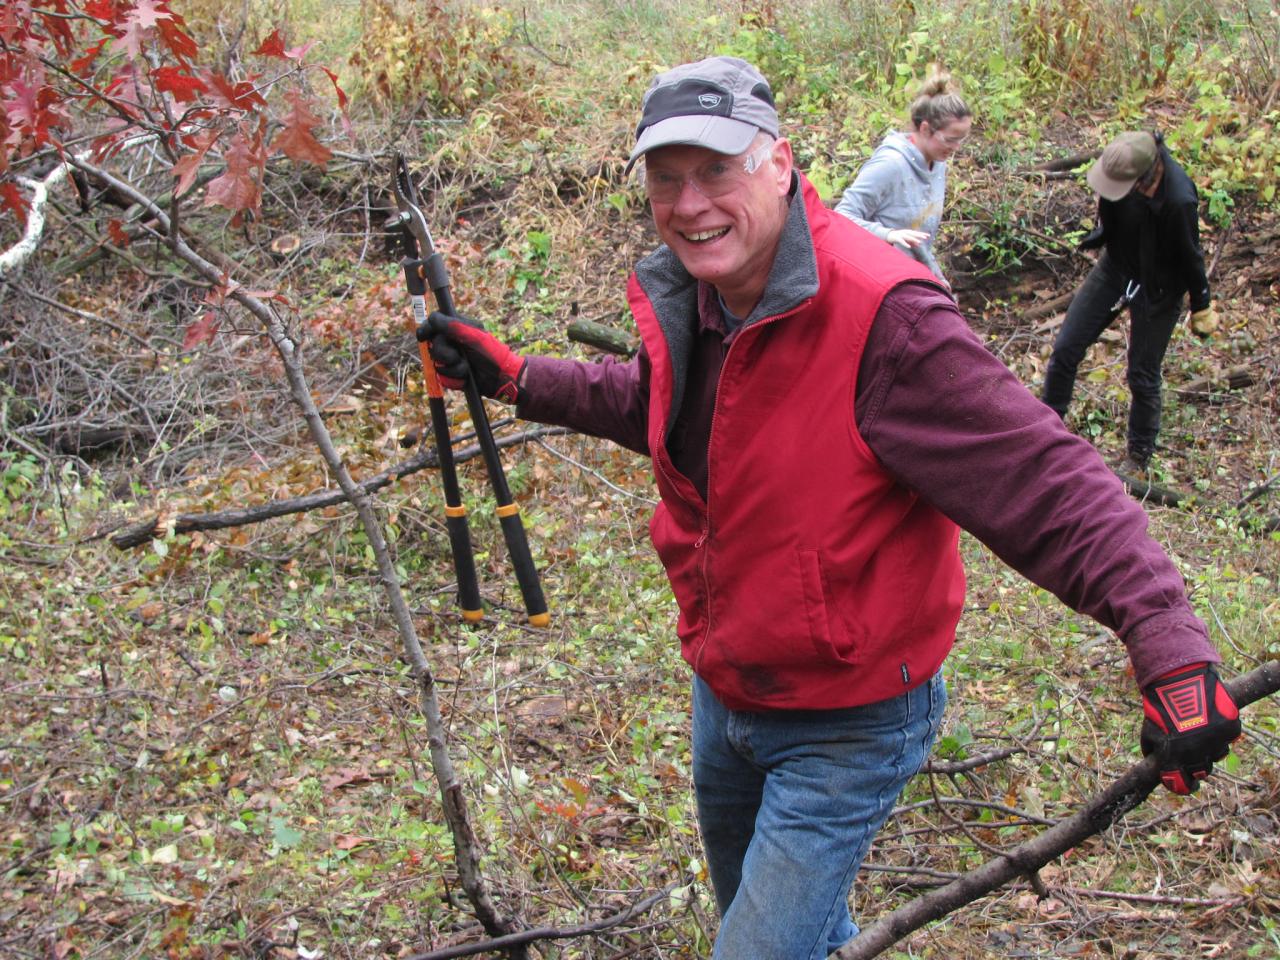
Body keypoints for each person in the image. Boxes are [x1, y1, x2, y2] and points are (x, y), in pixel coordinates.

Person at [419, 57, 1241, 959]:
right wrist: (521, 380)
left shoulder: (886, 318)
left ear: (780, 162)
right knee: (782, 935)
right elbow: (665, 402)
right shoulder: (705, 292)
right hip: (727, 688)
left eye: (716, 171)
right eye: (667, 179)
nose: (690, 203)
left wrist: (1165, 636)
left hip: (849, 716)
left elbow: (1048, 482)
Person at [1041, 130, 1217, 472]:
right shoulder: (1119, 174)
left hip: (1160, 286)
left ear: (1144, 176)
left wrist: (1202, 304)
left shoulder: (1178, 199)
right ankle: (1046, 430)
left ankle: (1138, 455)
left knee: (1142, 373)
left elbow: (1190, 256)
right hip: (1117, 267)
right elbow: (1110, 214)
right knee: (1065, 348)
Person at [834, 68, 971, 287]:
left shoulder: (937, 164)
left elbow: (920, 240)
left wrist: (937, 278)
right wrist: (888, 234)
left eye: (962, 139)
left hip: (912, 280)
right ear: (925, 129)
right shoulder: (891, 165)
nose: (956, 148)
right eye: (950, 139)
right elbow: (841, 217)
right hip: (875, 281)